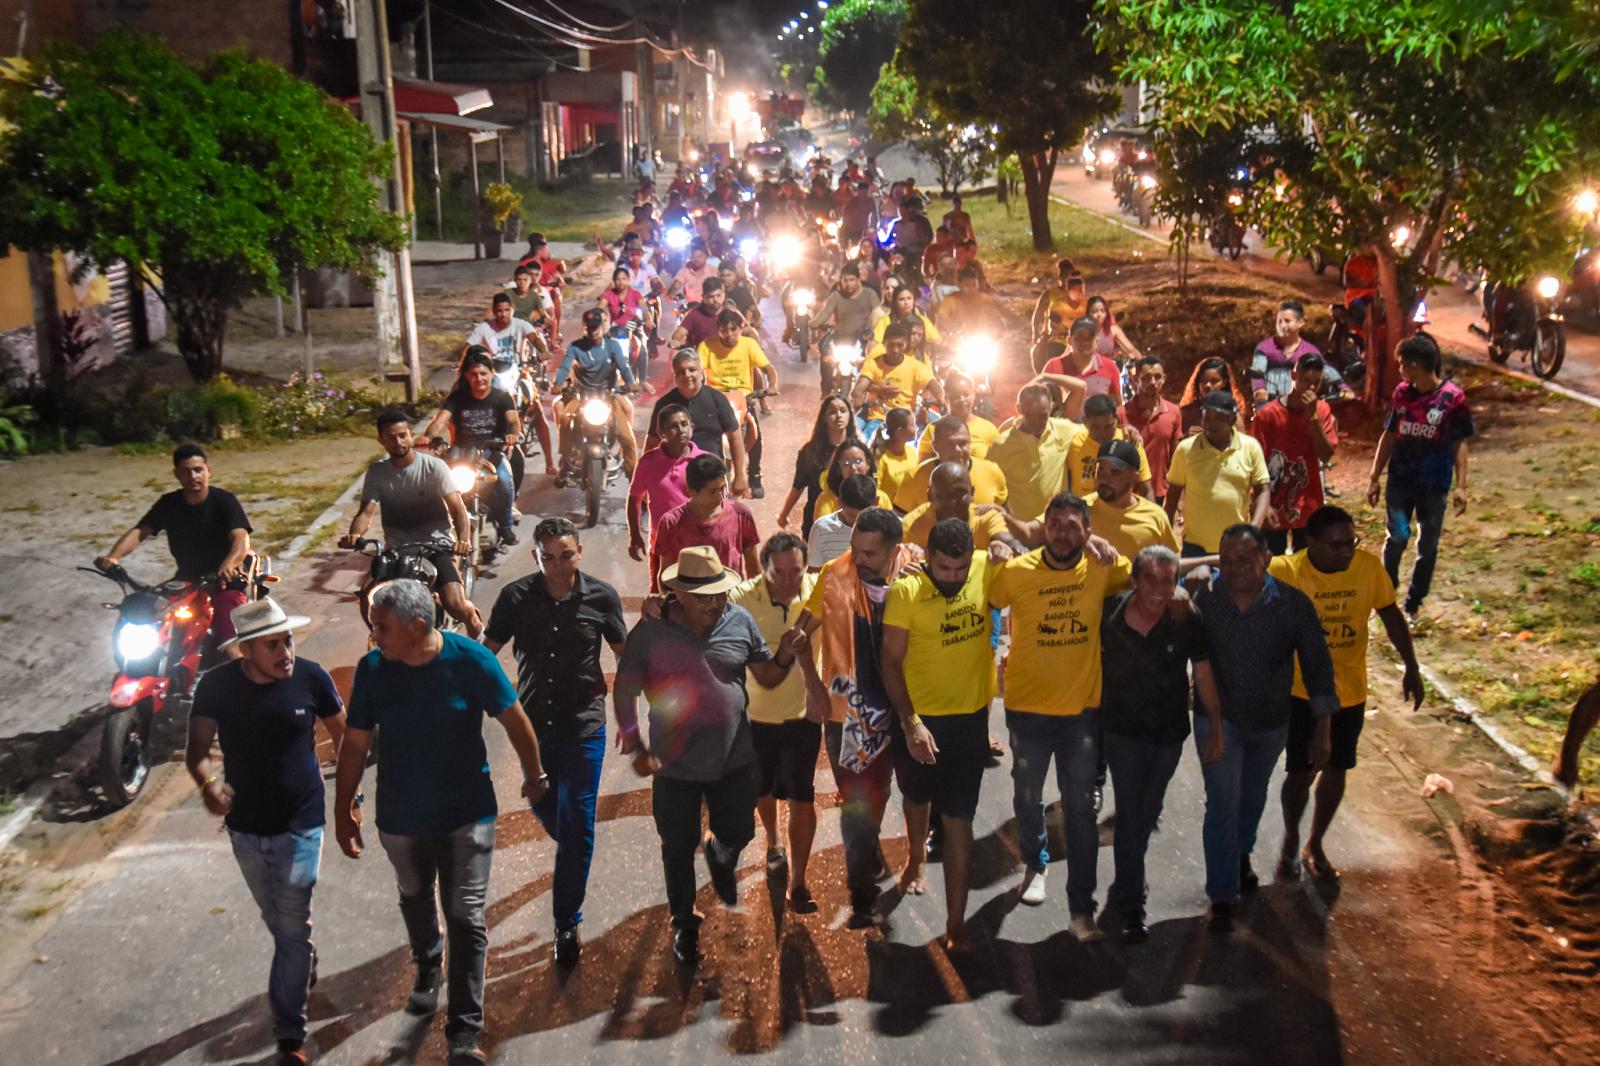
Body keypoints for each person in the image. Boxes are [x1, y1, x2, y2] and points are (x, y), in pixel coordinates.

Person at [334, 579, 550, 1065]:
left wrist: (535, 777)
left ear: (416, 627)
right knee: (414, 894)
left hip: (466, 813)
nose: (374, 636)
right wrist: (344, 807)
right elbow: (354, 743)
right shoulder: (373, 671)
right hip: (400, 816)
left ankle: (463, 1031)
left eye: (381, 627)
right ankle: (428, 961)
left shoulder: (471, 661)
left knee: (466, 916)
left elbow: (515, 719)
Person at [614, 545, 805, 966]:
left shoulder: (738, 620)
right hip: (674, 767)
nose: (715, 604)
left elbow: (768, 677)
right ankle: (683, 922)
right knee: (676, 849)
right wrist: (633, 741)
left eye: (719, 594)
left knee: (741, 832)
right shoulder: (649, 632)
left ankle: (721, 853)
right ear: (677, 594)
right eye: (703, 596)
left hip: (734, 759)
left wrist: (788, 653)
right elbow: (625, 688)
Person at [186, 598, 345, 1066]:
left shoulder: (312, 677)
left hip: (302, 823)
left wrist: (348, 798)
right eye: (273, 645)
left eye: (288, 640)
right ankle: (302, 959)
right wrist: (208, 783)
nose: (286, 652)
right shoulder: (216, 687)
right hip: (246, 831)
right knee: (279, 923)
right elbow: (197, 751)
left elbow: (345, 735)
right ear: (246, 651)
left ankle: (289, 1037)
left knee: (291, 926)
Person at [482, 519, 627, 967]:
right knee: (550, 808)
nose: (558, 566)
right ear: (535, 558)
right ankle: (567, 842)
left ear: (579, 551)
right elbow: (485, 652)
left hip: (585, 723)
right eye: (549, 557)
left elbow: (626, 659)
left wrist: (632, 717)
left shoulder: (601, 597)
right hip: (534, 728)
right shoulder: (515, 598)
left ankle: (566, 921)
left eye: (566, 555)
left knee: (579, 822)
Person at [989, 492, 1131, 939]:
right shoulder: (1018, 571)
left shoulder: (1101, 566)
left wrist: (1104, 542)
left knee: (1079, 810)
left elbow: (1132, 571)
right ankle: (1035, 864)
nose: (1063, 533)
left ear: (1086, 530)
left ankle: (1081, 905)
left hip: (1081, 714)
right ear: (1043, 528)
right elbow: (991, 595)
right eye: (1056, 525)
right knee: (1027, 798)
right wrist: (996, 549)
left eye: (1074, 525)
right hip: (1027, 711)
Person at [1190, 525, 1338, 932]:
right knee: (1221, 802)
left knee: (1252, 796)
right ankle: (1222, 894)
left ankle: (1241, 853)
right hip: (1217, 721)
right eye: (1226, 559)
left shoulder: (1292, 605)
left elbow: (1318, 666)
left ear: (1266, 560)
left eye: (1245, 559)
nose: (1234, 568)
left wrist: (1323, 727)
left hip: (1271, 722)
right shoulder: (1204, 598)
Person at [1270, 506, 1425, 880]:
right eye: (1336, 545)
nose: (1346, 551)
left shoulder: (1369, 569)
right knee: (1301, 771)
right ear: (1310, 544)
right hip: (1301, 691)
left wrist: (1412, 667)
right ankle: (1291, 837)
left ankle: (1315, 841)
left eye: (1351, 542)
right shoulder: (1286, 572)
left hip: (1350, 691)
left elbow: (1390, 615)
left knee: (1338, 767)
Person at [793, 508, 923, 923]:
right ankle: (861, 894)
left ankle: (871, 848)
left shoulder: (916, 572)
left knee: (882, 793)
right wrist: (812, 685)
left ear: (895, 551)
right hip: (846, 714)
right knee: (857, 801)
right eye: (855, 549)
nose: (859, 560)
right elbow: (802, 631)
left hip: (906, 706)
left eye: (869, 553)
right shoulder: (835, 573)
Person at [883, 518, 1000, 949]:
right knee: (916, 798)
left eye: (961, 569)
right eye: (945, 568)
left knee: (959, 822)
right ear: (927, 557)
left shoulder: (988, 567)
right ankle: (915, 858)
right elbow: (891, 662)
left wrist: (1003, 541)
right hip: (919, 722)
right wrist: (911, 723)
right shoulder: (906, 591)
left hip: (969, 724)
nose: (953, 578)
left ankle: (955, 923)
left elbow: (1041, 555)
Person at [1099, 546, 1221, 943]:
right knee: (1133, 813)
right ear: (1133, 580)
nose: (1159, 588)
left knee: (1146, 812)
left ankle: (1126, 879)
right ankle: (1133, 904)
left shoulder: (1186, 617)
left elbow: (1202, 673)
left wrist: (1216, 726)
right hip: (1121, 734)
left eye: (1168, 580)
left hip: (1168, 737)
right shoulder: (1109, 615)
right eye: (1149, 578)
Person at [727, 534, 821, 912]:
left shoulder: (818, 592)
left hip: (804, 716)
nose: (787, 580)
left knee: (803, 796)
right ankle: (773, 842)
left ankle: (798, 880)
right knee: (762, 789)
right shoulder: (741, 600)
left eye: (795, 571)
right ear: (763, 567)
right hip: (755, 715)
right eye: (777, 572)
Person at [97, 442, 253, 653]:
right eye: (185, 472)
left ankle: (243, 679)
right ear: (177, 475)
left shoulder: (223, 501)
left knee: (228, 643)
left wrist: (228, 564)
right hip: (186, 579)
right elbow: (140, 531)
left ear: (208, 471)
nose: (193, 476)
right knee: (149, 616)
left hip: (223, 581)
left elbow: (240, 537)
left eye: (198, 470)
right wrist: (113, 557)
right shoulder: (169, 503)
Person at [340, 409, 482, 635]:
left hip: (437, 546)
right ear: (381, 440)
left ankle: (474, 623)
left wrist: (463, 540)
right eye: (390, 437)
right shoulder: (377, 472)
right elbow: (366, 512)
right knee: (368, 600)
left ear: (411, 435)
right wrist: (355, 535)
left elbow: (457, 508)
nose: (398, 442)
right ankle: (381, 642)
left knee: (455, 605)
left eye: (402, 435)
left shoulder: (434, 466)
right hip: (397, 550)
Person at [1366, 333, 1473, 619]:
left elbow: (1460, 443)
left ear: (1415, 365)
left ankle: (1413, 603)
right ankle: (1386, 596)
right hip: (1400, 480)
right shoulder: (1402, 394)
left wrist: (1462, 486)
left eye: (1402, 363)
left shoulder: (1452, 399)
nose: (1399, 369)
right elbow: (1389, 435)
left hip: (1434, 484)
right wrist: (1375, 475)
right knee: (1397, 536)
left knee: (1428, 546)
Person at [419, 349, 523, 545]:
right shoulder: (457, 398)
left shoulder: (502, 397)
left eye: (483, 373)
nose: (479, 379)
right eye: (474, 374)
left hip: (492, 452)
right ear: (466, 376)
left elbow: (514, 421)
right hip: (461, 454)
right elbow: (439, 422)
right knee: (438, 483)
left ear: (492, 374)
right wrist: (429, 437)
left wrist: (512, 435)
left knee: (504, 479)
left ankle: (506, 525)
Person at [1164, 390, 1271, 557]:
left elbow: (1262, 489)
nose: (1211, 424)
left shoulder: (1250, 447)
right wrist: (1166, 533)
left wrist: (1255, 527)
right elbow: (1173, 493)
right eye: (1207, 417)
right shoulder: (1186, 449)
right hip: (1195, 546)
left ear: (1232, 420)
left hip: (1238, 544)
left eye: (1219, 418)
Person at [1251, 353, 1338, 554]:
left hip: (1308, 503)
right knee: (1272, 563)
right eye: (1305, 381)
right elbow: (1255, 463)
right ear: (1293, 375)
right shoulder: (1267, 415)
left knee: (1306, 564)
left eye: (1315, 384)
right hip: (1272, 501)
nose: (1309, 388)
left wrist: (1313, 418)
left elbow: (1325, 455)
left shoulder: (1322, 410)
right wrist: (1261, 504)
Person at [649, 454, 760, 592]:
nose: (721, 495)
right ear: (692, 491)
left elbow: (753, 566)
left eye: (723, 488)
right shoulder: (671, 523)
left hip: (732, 600)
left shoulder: (741, 514)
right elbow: (666, 574)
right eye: (713, 491)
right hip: (690, 605)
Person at [647, 349, 749, 497]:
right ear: (675, 376)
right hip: (674, 479)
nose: (687, 375)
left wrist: (740, 475)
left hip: (712, 478)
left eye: (692, 370)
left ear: (701, 372)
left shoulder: (717, 400)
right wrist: (646, 477)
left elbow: (735, 437)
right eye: (681, 372)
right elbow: (652, 443)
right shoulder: (665, 404)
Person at [987, 384, 1079, 522]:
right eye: (1029, 415)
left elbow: (1097, 433)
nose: (1036, 422)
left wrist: (1122, 431)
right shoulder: (1000, 446)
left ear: (1051, 408)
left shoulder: (1063, 429)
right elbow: (989, 488)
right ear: (1018, 409)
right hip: (1020, 532)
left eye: (1042, 416)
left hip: (1056, 527)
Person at [628, 405, 704, 564]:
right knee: (664, 587)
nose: (681, 430)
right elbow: (634, 498)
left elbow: (722, 497)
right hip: (662, 546)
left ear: (692, 427)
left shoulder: (705, 461)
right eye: (673, 426)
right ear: (661, 433)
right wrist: (634, 535)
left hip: (700, 545)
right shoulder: (648, 462)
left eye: (684, 424)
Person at [777, 395, 860, 536]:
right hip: (816, 522)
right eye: (832, 412)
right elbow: (798, 486)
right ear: (824, 418)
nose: (838, 416)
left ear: (850, 416)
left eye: (843, 410)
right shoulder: (810, 452)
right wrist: (784, 514)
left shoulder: (860, 451)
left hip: (852, 523)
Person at [893, 417, 1009, 513]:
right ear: (935, 446)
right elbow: (900, 525)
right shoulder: (914, 478)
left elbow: (1006, 519)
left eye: (963, 443)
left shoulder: (992, 472)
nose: (957, 450)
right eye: (949, 444)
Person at [851, 320, 942, 437]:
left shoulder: (916, 366)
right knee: (863, 443)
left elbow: (933, 385)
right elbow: (857, 390)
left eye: (900, 345)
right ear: (883, 344)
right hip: (879, 420)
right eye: (891, 345)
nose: (895, 350)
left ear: (906, 345)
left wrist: (940, 397)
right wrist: (877, 390)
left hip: (906, 422)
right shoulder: (873, 363)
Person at [1249, 299, 1341, 405]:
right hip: (1269, 403)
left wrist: (1343, 387)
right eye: (1279, 321)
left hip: (1300, 404)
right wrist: (1259, 389)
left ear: (1300, 323)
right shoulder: (1264, 348)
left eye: (1287, 321)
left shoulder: (1310, 350)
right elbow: (1257, 370)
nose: (1282, 325)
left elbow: (1327, 370)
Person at [1065, 394, 1152, 498]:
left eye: (1108, 427)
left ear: (1116, 419)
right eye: (1095, 428)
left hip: (1120, 512)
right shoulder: (1073, 443)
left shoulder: (1130, 442)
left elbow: (1146, 489)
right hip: (1085, 512)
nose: (1102, 434)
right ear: (1085, 421)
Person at [1124, 356, 1184, 503]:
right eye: (1146, 378)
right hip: (1128, 493)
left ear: (1163, 379)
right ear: (1135, 379)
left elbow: (1176, 456)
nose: (1152, 382)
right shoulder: (1121, 414)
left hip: (1161, 492)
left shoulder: (1173, 412)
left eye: (1157, 377)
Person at [1038, 316, 1123, 417]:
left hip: (1097, 431)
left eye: (1089, 339)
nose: (1084, 343)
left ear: (1097, 341)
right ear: (1069, 340)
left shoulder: (1110, 367)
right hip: (1064, 430)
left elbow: (1117, 405)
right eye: (1078, 338)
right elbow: (1040, 402)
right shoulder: (1053, 366)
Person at [915, 371, 999, 461]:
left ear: (973, 394)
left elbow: (998, 465)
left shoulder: (988, 429)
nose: (962, 399)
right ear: (946, 398)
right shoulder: (933, 430)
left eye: (966, 394)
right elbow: (923, 468)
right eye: (955, 396)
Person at [807, 473, 877, 570]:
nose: (858, 521)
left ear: (876, 503)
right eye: (853, 515)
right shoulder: (821, 529)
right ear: (839, 503)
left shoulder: (889, 529)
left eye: (864, 515)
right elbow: (814, 573)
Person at [813, 440, 895, 520]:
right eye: (846, 463)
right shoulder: (826, 499)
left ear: (868, 464)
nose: (853, 468)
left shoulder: (881, 497)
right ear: (838, 468)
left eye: (858, 461)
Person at [812, 262, 878, 359]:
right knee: (824, 349)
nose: (848, 284)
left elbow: (879, 314)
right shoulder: (836, 296)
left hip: (863, 339)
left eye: (852, 280)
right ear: (841, 281)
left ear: (858, 280)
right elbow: (825, 312)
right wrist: (815, 322)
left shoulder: (869, 294)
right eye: (845, 280)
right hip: (840, 338)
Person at [1178, 356, 1253, 435]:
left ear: (1224, 383)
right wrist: (1186, 437)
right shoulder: (1185, 413)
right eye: (1203, 381)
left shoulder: (1232, 413)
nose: (1208, 385)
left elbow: (1242, 444)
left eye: (1214, 381)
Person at [668, 275, 731, 350]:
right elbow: (679, 333)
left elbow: (744, 330)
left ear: (724, 295)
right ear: (704, 297)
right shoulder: (695, 314)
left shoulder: (731, 312)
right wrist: (676, 340)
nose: (715, 300)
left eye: (718, 295)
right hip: (702, 357)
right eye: (711, 297)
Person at [874, 408, 921, 504]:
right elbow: (875, 492)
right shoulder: (881, 458)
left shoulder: (911, 451)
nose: (916, 428)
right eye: (912, 425)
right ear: (899, 431)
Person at [1086, 295, 1142, 366]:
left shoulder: (1113, 330)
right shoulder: (1082, 331)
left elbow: (1131, 350)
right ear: (1088, 313)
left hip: (1108, 369)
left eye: (1102, 311)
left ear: (1106, 313)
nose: (1099, 314)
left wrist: (1142, 360)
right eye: (1094, 312)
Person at [666, 238, 716, 303]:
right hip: (691, 306)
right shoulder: (685, 270)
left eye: (699, 256)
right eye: (693, 257)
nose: (696, 259)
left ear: (706, 256)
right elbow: (676, 284)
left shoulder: (713, 270)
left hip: (709, 304)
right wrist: (671, 293)